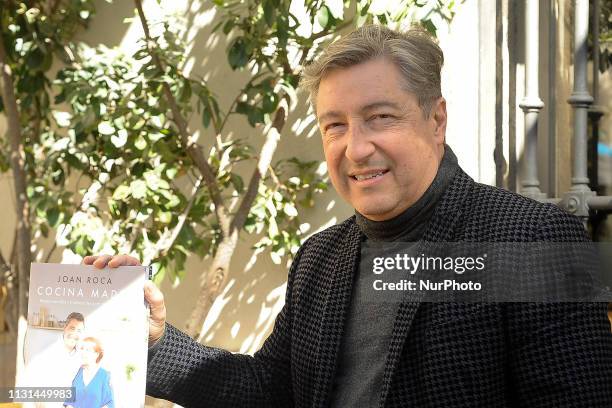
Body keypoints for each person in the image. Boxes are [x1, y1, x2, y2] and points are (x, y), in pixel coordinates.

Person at [86, 25, 612, 407]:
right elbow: (271, 392)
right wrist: (154, 342)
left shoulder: (532, 238)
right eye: (334, 125)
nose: (355, 149)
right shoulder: (320, 258)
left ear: (437, 120)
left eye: (380, 118)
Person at [18, 312, 86, 408]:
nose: (75, 333)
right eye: (72, 328)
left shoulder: (82, 357)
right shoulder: (47, 352)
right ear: (65, 328)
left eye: (79, 330)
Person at [64, 336, 114, 408]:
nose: (83, 352)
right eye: (82, 349)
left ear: (96, 354)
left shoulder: (105, 376)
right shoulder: (76, 372)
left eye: (87, 350)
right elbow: (69, 401)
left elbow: (109, 403)